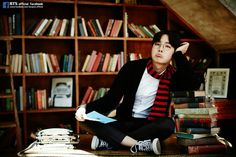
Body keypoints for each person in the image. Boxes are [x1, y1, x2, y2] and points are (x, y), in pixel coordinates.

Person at [75, 30, 200, 155]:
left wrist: (179, 55)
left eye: (167, 46)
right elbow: (111, 100)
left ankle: (112, 141)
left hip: (150, 125)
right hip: (124, 121)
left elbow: (193, 84)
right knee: (85, 119)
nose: (160, 49)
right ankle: (138, 144)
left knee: (168, 125)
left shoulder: (173, 75)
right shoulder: (132, 68)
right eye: (157, 44)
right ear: (152, 47)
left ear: (173, 51)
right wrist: (85, 108)